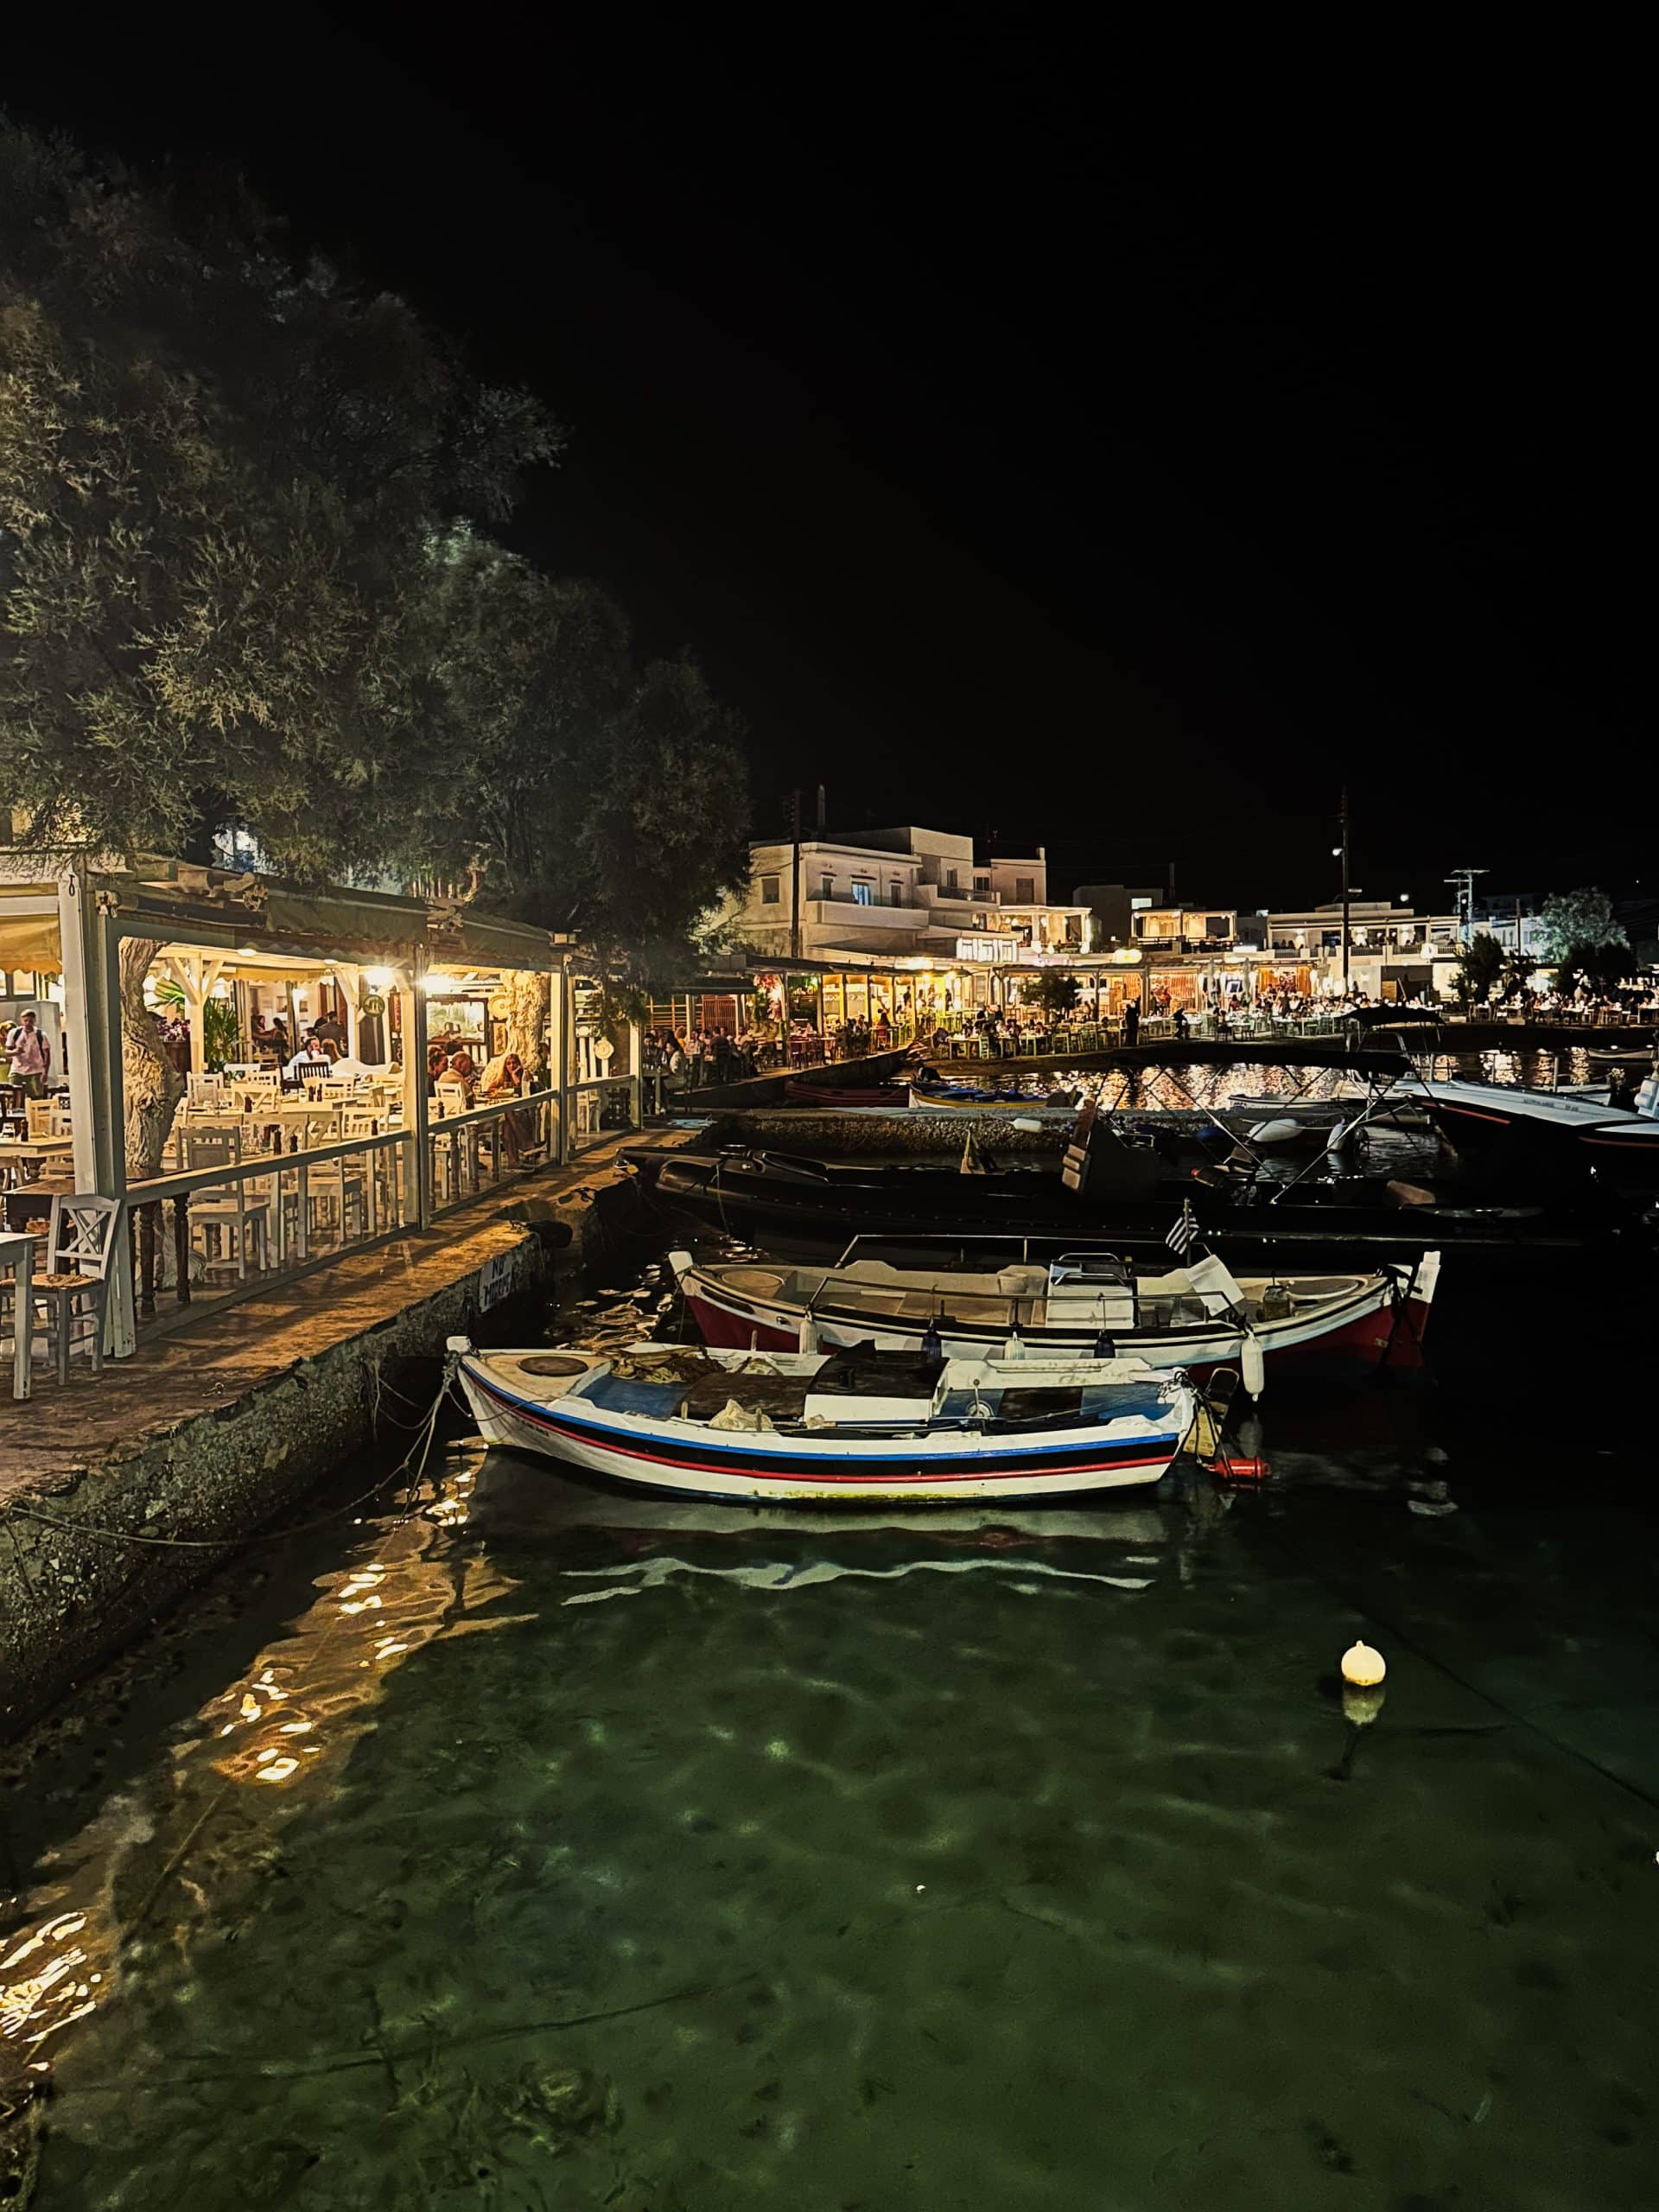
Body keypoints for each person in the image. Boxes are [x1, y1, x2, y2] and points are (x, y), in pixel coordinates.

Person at [4, 1008, 51, 1098]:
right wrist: (15, 1052)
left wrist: (45, 1072)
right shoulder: (14, 1033)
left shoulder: (41, 1035)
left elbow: (47, 1055)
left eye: (31, 1021)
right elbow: (7, 1052)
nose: (28, 1023)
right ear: (22, 1021)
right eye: (25, 1021)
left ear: (34, 1021)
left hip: (35, 1070)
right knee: (14, 1096)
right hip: (17, 1070)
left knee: (36, 1097)